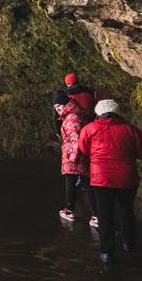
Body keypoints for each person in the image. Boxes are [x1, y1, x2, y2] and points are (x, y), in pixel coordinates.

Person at [77, 99, 142, 264]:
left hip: (100, 178)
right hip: (126, 177)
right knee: (125, 210)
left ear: (98, 113)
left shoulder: (89, 129)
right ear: (118, 113)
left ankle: (106, 252)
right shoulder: (130, 130)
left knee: (104, 214)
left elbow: (83, 149)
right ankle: (128, 243)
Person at [54, 91, 96, 227]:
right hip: (78, 155)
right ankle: (96, 215)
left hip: (74, 157)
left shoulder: (71, 117)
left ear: (66, 103)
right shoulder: (74, 114)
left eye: (59, 105)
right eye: (55, 106)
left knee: (72, 183)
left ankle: (70, 210)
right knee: (86, 184)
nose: (57, 108)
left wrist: (72, 158)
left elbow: (76, 140)